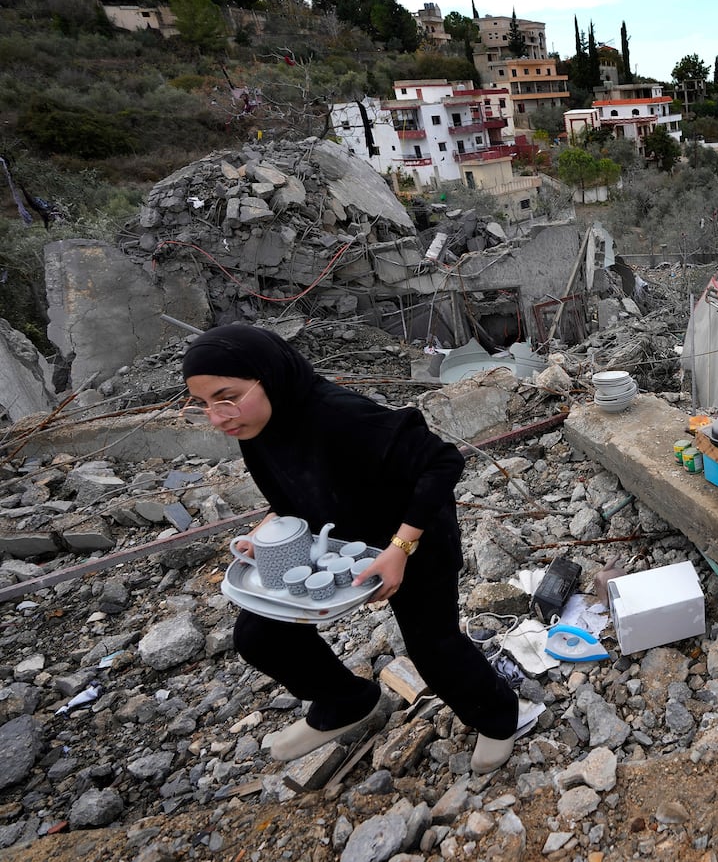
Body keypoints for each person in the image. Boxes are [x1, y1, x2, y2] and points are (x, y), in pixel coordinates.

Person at [181, 323, 541, 771]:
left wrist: (399, 551)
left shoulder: (341, 415)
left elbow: (442, 462)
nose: (218, 417)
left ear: (268, 375)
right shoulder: (258, 426)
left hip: (413, 538)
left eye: (227, 396)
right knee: (261, 635)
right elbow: (291, 496)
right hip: (340, 541)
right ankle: (346, 702)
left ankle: (499, 717)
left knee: (434, 648)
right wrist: (266, 533)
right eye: (203, 405)